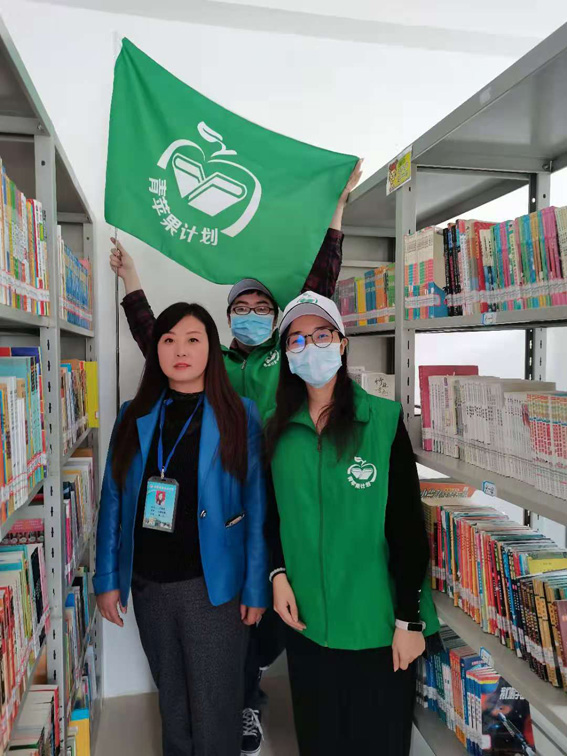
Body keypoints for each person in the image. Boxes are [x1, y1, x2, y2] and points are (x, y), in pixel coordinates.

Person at [109, 160, 362, 755]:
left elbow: (320, 286)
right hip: (228, 497)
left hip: (286, 486)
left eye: (260, 305)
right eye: (240, 307)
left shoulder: (287, 355)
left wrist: (338, 209)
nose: (251, 313)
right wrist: (131, 278)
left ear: (276, 315)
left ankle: (255, 692)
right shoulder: (214, 362)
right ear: (227, 320)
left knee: (271, 604)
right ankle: (244, 699)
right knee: (234, 612)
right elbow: (156, 336)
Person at [265, 291, 441, 756]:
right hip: (308, 626)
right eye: (297, 339)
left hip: (377, 628)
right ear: (286, 355)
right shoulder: (276, 429)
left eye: (321, 335)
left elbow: (407, 528)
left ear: (342, 343)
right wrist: (277, 574)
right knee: (319, 742)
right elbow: (271, 515)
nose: (309, 347)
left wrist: (409, 620)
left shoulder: (381, 421)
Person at [94, 302, 268, 756]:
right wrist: (107, 579)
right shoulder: (133, 415)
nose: (180, 350)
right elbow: (113, 499)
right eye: (168, 340)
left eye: (193, 339)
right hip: (149, 585)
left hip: (213, 588)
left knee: (214, 707)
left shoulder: (239, 414)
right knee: (172, 703)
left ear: (211, 348)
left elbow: (256, 507)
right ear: (157, 351)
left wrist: (256, 587)